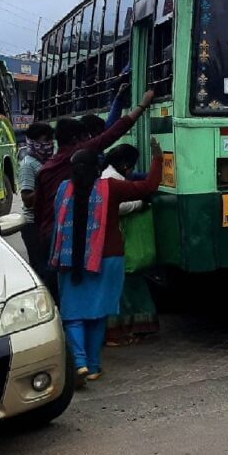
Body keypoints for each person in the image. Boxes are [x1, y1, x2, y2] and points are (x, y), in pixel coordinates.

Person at [51, 137, 163, 385]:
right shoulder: (109, 187)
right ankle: (92, 366)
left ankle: (79, 362)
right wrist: (158, 159)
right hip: (108, 260)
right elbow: (148, 186)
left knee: (74, 315)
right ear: (96, 169)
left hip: (70, 261)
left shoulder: (63, 189)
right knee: (98, 314)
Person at [35, 87, 155, 258]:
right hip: (72, 233)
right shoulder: (81, 157)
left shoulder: (45, 170)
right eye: (86, 138)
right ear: (77, 139)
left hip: (50, 234)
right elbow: (112, 132)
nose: (90, 141)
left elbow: (38, 210)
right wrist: (142, 105)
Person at [102, 143, 159, 346]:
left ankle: (127, 329)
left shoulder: (109, 175)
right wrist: (140, 204)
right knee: (129, 286)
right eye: (132, 167)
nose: (132, 171)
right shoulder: (111, 180)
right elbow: (118, 207)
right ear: (125, 165)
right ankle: (134, 328)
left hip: (114, 246)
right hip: (116, 245)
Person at [16, 121, 54, 280]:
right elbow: (27, 199)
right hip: (33, 225)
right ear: (33, 141)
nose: (49, 144)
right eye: (45, 140)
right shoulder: (28, 165)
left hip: (47, 221)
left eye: (50, 140)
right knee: (41, 270)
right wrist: (49, 186)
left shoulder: (47, 161)